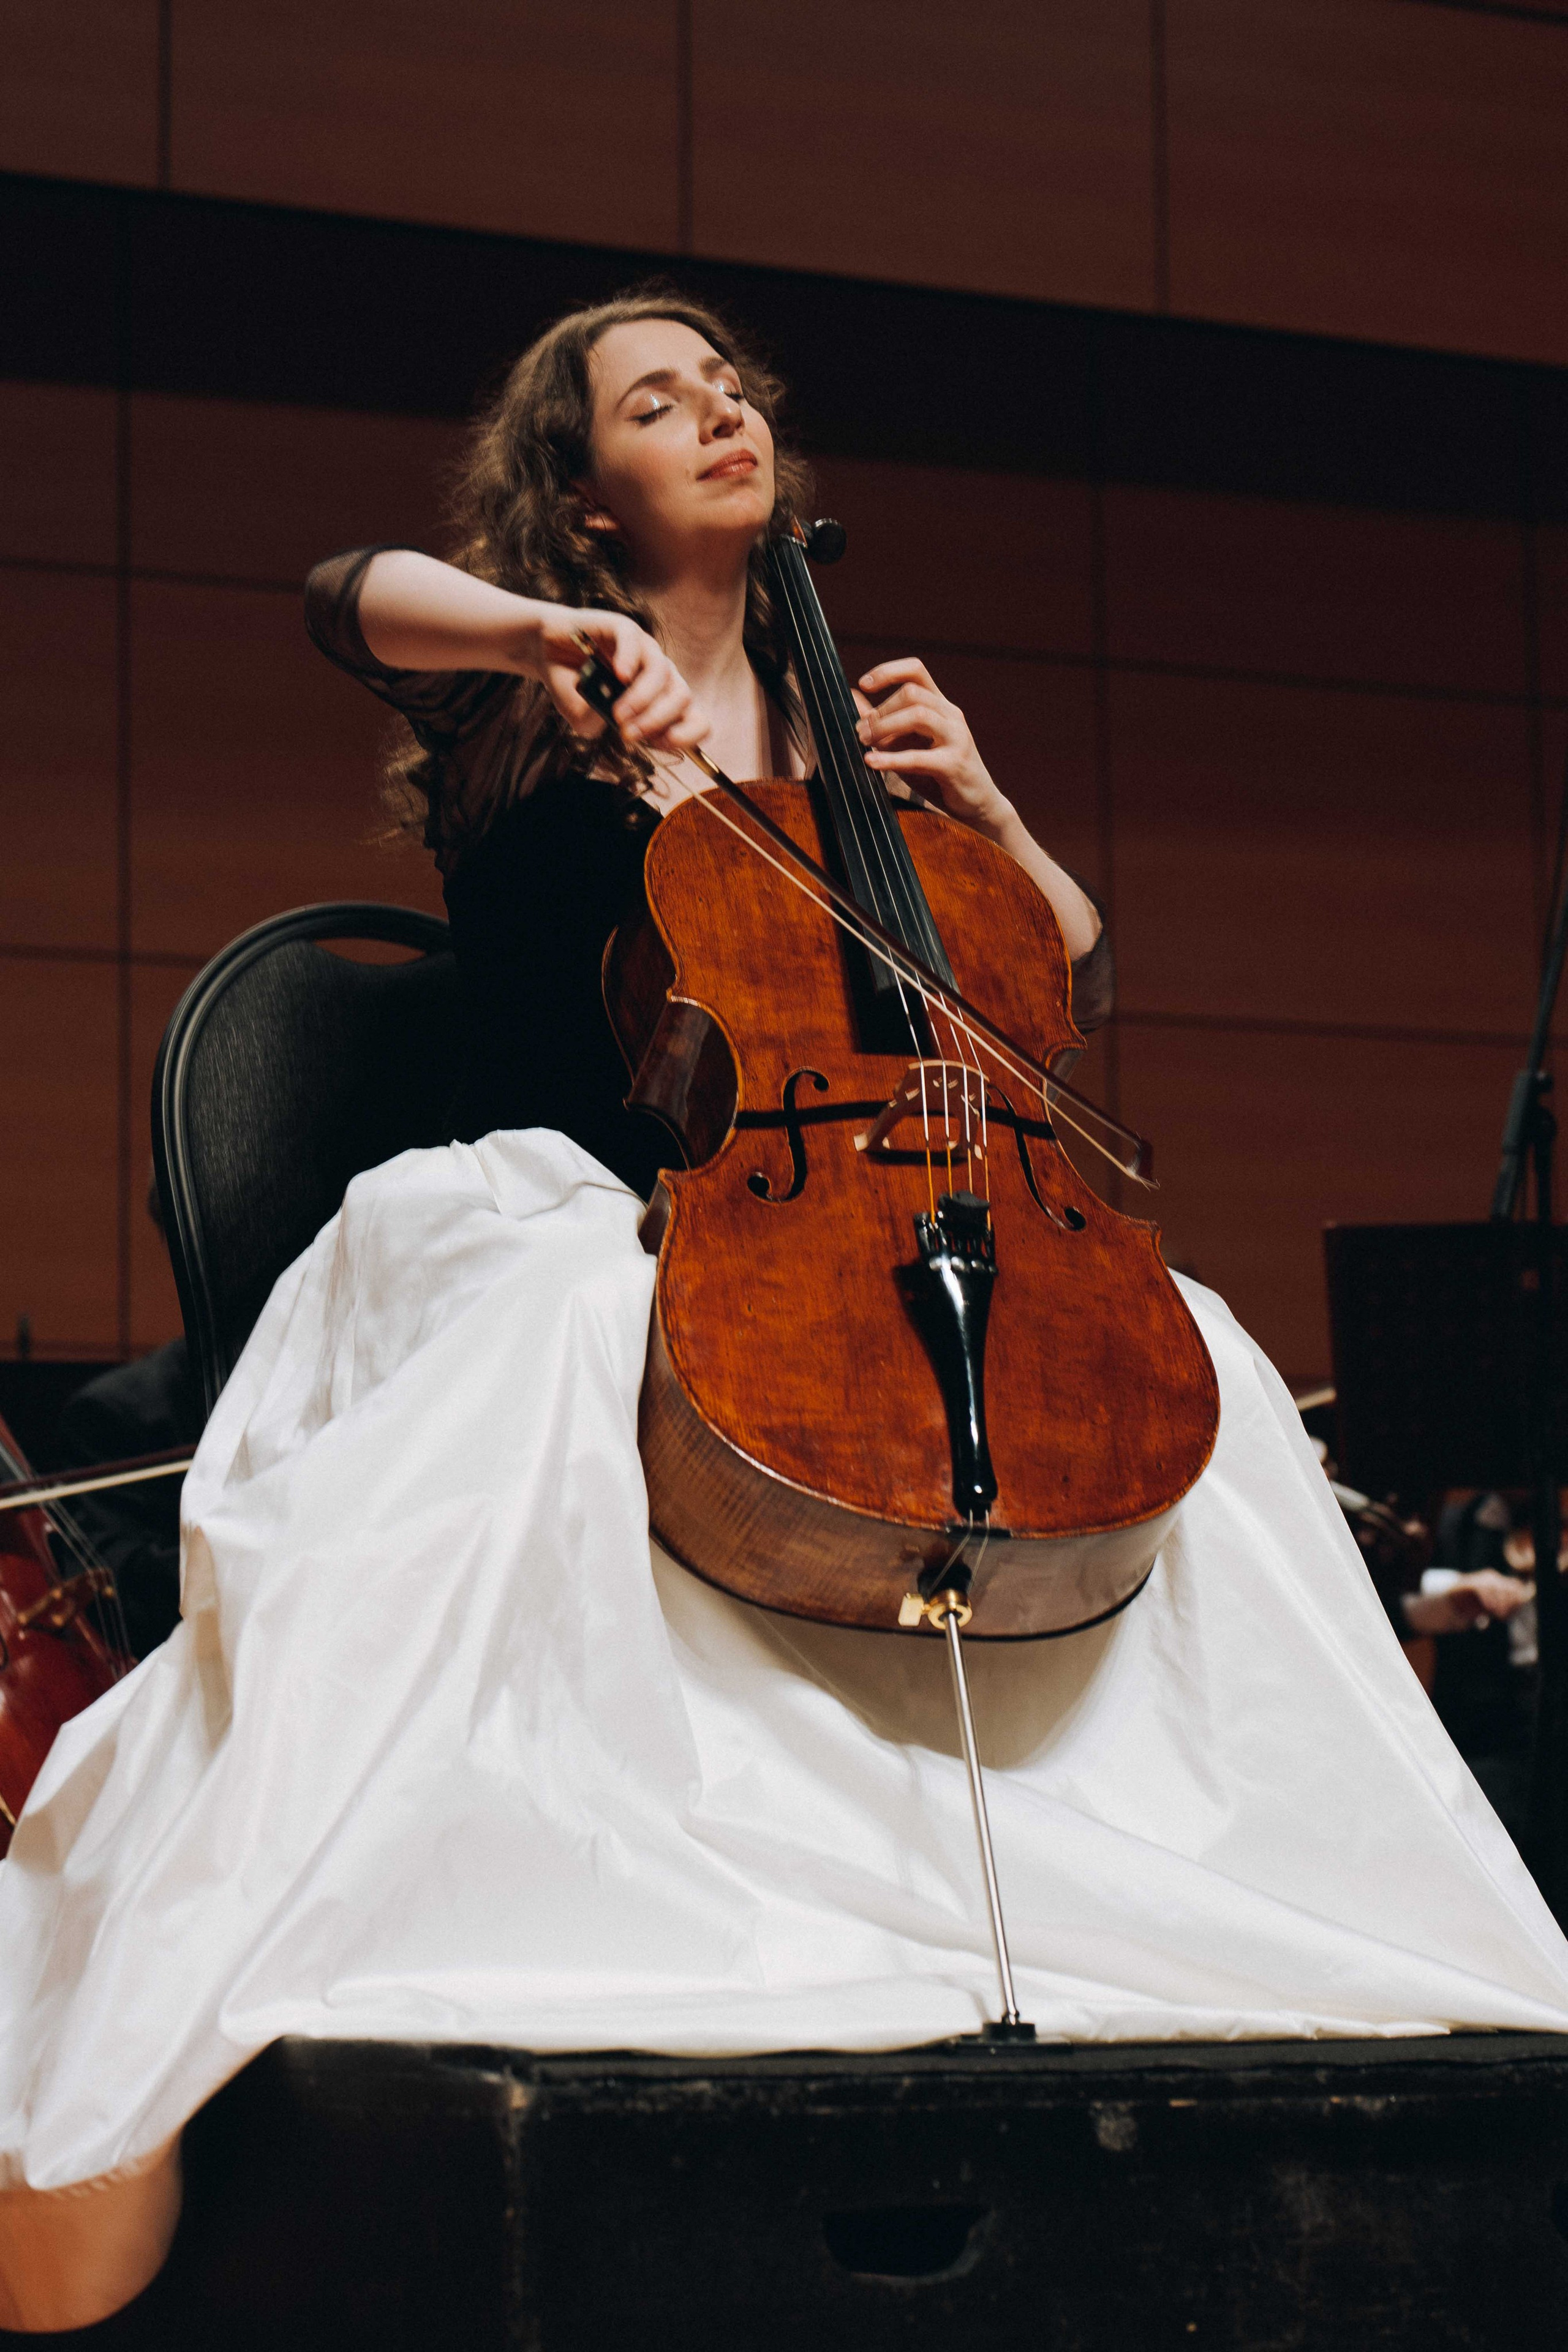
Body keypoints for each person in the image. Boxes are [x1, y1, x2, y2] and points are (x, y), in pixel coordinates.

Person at [5, 292, 1568, 2332]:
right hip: (577, 1207)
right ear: (581, 492)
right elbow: (339, 597)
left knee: (1218, 1369)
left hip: (848, 1213)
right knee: (578, 1336)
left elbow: (1050, 984)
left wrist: (987, 813)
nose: (720, 411)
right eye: (659, 402)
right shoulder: (538, 696)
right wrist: (540, 636)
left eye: (732, 386)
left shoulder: (854, 747)